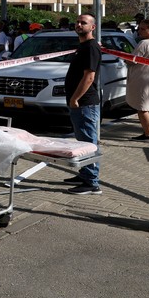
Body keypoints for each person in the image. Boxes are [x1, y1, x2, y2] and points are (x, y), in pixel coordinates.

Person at [62, 14, 103, 194]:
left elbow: (89, 76)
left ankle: (92, 183)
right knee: (82, 142)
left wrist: (75, 98)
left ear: (92, 27)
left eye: (83, 23)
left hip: (85, 103)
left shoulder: (91, 47)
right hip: (79, 103)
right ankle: (85, 173)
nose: (79, 24)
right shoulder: (84, 46)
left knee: (88, 142)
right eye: (77, 22)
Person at [125, 19, 149, 142]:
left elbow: (132, 60)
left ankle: (148, 135)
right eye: (139, 28)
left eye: (143, 29)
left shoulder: (144, 44)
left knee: (142, 108)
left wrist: (125, 58)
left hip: (142, 78)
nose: (139, 31)